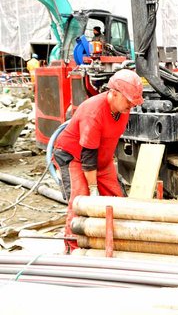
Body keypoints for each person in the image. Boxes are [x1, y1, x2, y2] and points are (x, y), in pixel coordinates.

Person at [53, 69, 143, 253]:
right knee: (81, 202)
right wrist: (93, 188)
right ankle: (73, 247)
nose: (131, 106)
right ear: (114, 93)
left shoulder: (122, 108)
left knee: (117, 199)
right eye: (128, 101)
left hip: (101, 159)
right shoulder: (94, 112)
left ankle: (115, 240)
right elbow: (88, 155)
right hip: (76, 158)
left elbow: (109, 140)